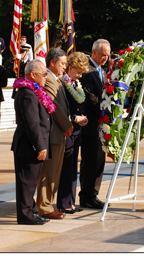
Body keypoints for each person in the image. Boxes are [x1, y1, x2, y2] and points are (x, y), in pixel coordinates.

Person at [11, 60, 56, 225]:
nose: (45, 77)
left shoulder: (34, 91)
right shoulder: (27, 93)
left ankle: (32, 212)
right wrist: (40, 146)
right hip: (28, 145)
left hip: (34, 144)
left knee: (31, 181)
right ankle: (25, 216)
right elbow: (32, 123)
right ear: (32, 75)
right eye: (43, 74)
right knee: (26, 183)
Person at [36, 48, 73, 219]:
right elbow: (54, 106)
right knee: (49, 172)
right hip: (53, 133)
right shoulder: (49, 79)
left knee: (54, 172)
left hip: (58, 133)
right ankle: (44, 206)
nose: (65, 67)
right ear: (52, 62)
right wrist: (67, 125)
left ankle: (47, 203)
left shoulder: (55, 78)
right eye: (63, 63)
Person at [79, 39, 111, 209]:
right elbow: (90, 98)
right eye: (103, 54)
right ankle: (86, 195)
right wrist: (107, 111)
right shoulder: (87, 71)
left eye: (108, 55)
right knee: (90, 161)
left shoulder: (102, 71)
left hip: (101, 125)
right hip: (91, 124)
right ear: (94, 52)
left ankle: (94, 194)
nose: (106, 58)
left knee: (99, 161)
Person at [57, 52, 89, 213]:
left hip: (76, 129)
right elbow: (62, 109)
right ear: (70, 68)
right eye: (78, 72)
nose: (80, 75)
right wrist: (76, 118)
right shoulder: (62, 84)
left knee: (72, 167)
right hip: (67, 129)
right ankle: (63, 202)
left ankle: (71, 201)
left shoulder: (75, 83)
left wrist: (83, 118)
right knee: (66, 167)